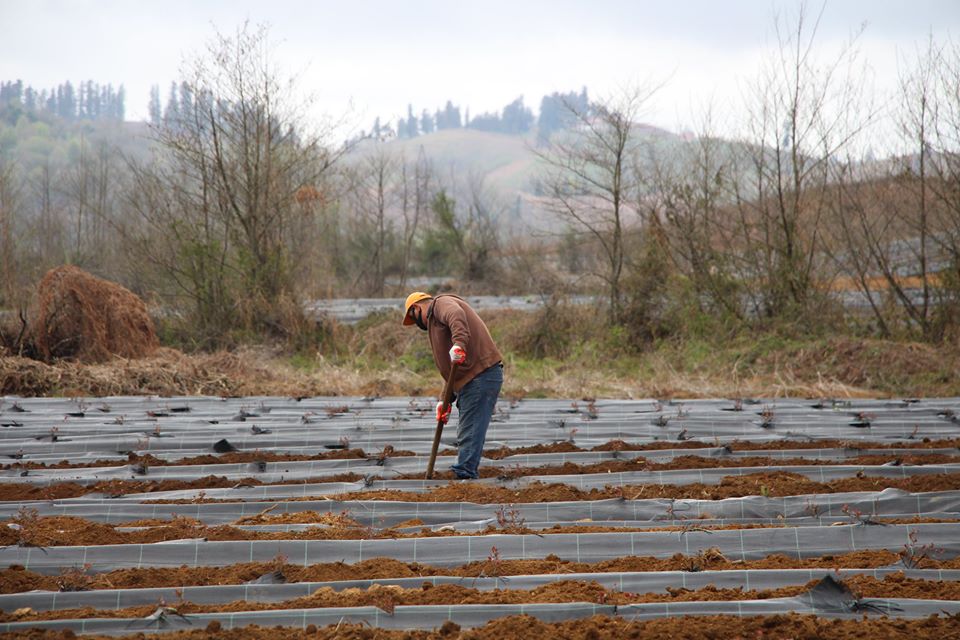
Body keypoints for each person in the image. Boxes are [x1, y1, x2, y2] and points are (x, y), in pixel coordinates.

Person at [403, 292, 503, 479]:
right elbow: (451, 370)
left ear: (416, 308)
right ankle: (465, 472)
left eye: (413, 318)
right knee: (468, 428)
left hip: (480, 376)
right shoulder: (437, 322)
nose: (417, 324)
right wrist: (445, 401)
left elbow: (456, 315)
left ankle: (465, 474)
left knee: (470, 429)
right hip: (473, 379)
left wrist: (459, 345)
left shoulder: (440, 304)